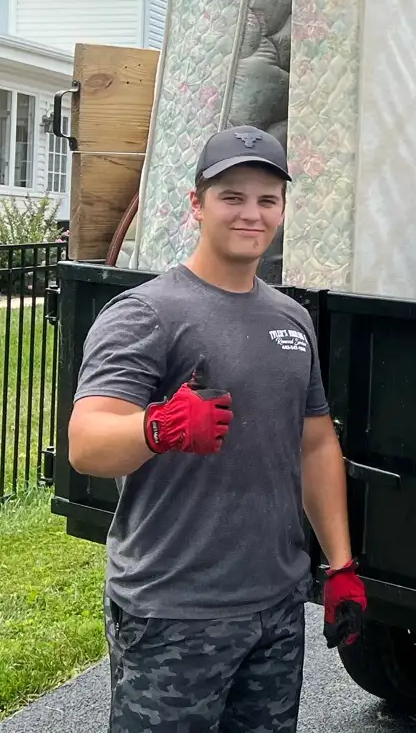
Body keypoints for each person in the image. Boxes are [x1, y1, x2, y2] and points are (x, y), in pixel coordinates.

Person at [67, 124, 367, 733]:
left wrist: (340, 566)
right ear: (197, 205)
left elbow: (314, 443)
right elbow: (86, 442)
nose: (251, 213)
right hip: (172, 610)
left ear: (282, 208)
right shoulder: (147, 313)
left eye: (267, 198)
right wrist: (158, 428)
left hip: (276, 607)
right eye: (232, 196)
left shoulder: (292, 319)